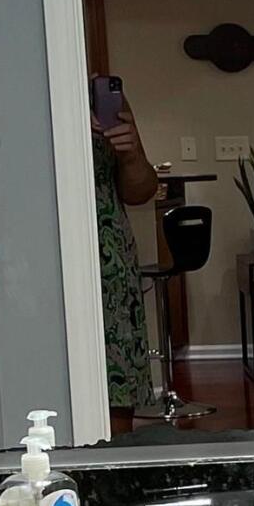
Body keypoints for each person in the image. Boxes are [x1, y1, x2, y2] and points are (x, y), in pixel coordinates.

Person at [91, 88, 158, 426]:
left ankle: (117, 454)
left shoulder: (103, 98)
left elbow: (141, 191)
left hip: (109, 260)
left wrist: (131, 156)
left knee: (116, 391)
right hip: (34, 260)